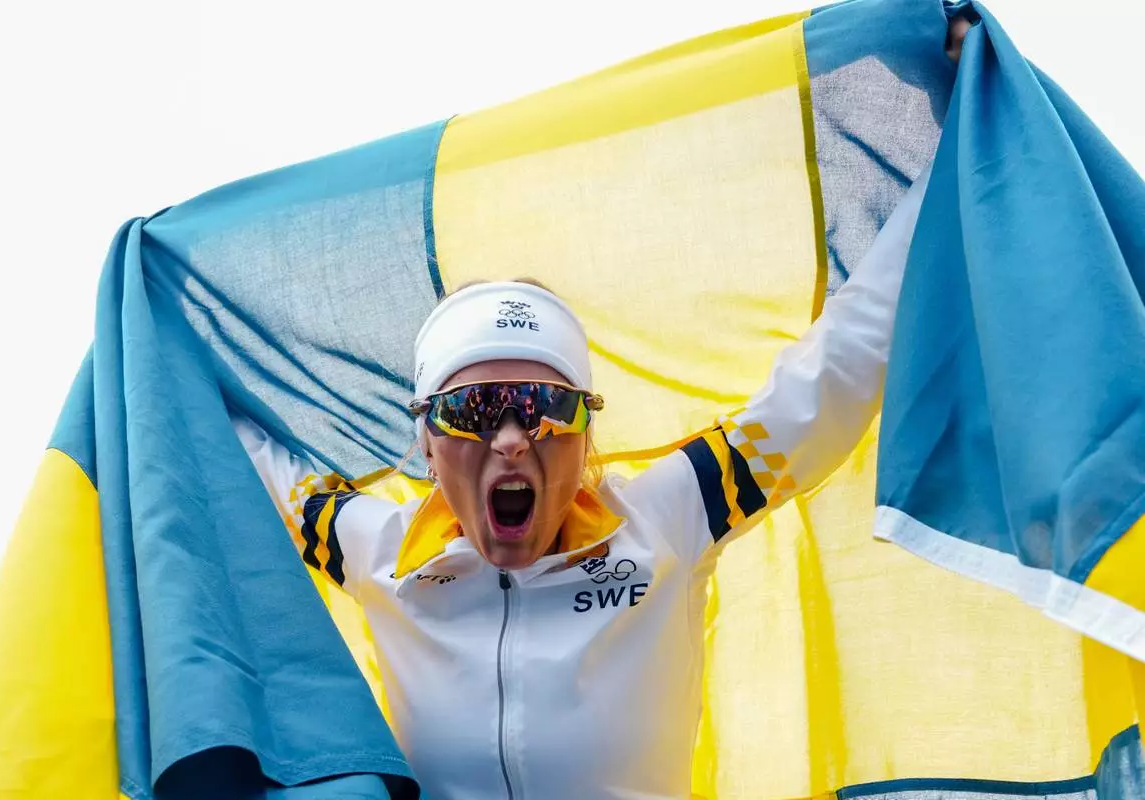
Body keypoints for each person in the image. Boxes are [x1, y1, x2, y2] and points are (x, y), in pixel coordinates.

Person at [236, 22, 971, 799]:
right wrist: (147, 336)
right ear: (426, 438)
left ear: (588, 434)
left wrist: (958, 151)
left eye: (546, 406)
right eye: (476, 409)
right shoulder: (376, 552)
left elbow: (842, 366)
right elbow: (225, 454)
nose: (514, 437)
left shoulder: (668, 517)